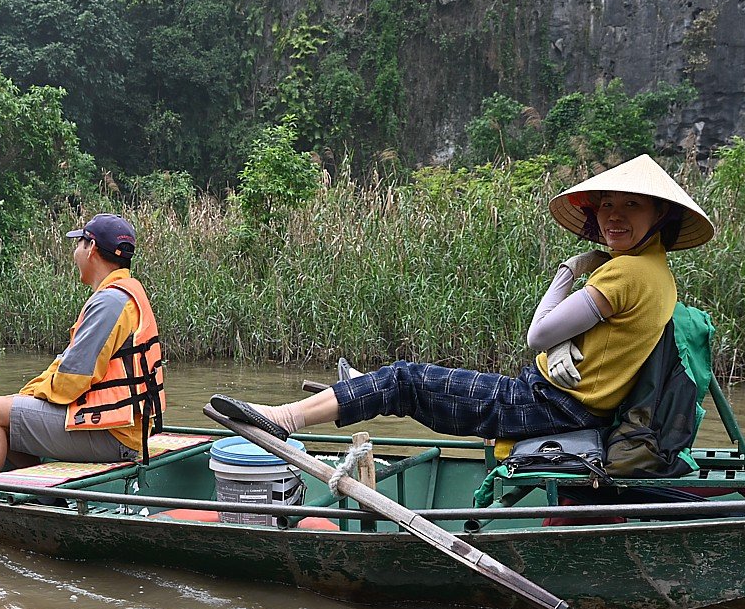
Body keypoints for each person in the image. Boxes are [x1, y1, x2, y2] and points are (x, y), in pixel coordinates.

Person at [210, 154, 714, 443]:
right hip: (572, 404)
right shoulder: (656, 272)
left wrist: (570, 269)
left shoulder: (624, 272)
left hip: (547, 405)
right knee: (401, 384)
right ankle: (361, 392)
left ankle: (287, 418)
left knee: (404, 379)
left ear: (659, 215)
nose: (614, 216)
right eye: (606, 205)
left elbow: (538, 334)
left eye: (632, 205)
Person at [0, 213, 164, 478]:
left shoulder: (109, 302)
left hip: (112, 433)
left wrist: (32, 394)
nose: (75, 252)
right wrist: (28, 395)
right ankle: (45, 497)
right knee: (11, 411)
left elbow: (71, 381)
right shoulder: (125, 293)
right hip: (124, 428)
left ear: (91, 248)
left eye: (78, 244)